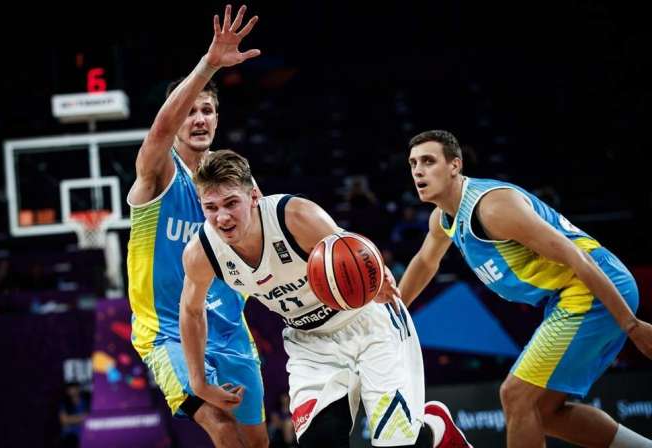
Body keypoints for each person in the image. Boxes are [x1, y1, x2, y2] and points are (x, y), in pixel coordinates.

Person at [180, 150, 472, 448]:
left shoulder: (295, 216)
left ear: (253, 196)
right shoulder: (201, 252)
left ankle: (436, 428)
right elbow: (191, 311)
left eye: (231, 203)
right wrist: (199, 381)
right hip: (310, 342)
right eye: (211, 207)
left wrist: (379, 276)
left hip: (367, 322)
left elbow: (355, 253)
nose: (222, 217)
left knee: (398, 443)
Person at [400, 130, 652, 448]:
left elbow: (576, 256)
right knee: (544, 412)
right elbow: (425, 262)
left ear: (454, 166)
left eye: (428, 161)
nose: (418, 171)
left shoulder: (492, 208)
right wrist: (392, 311)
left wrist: (632, 325)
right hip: (570, 294)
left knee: (517, 396)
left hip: (593, 287)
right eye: (413, 164)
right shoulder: (443, 219)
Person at [126, 5, 268, 447]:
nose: (199, 118)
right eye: (190, 111)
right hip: (166, 329)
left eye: (207, 110)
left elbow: (266, 238)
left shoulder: (234, 180)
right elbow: (159, 131)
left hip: (228, 324)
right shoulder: (158, 171)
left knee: (257, 440)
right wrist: (209, 64)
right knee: (218, 424)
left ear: (218, 119)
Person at [58, 382, 90, 448]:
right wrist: (83, 417)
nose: (73, 391)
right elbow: (64, 420)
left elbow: (90, 417)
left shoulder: (86, 402)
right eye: (70, 389)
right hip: (70, 436)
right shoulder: (64, 404)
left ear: (79, 389)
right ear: (67, 391)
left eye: (75, 388)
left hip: (86, 434)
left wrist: (72, 418)